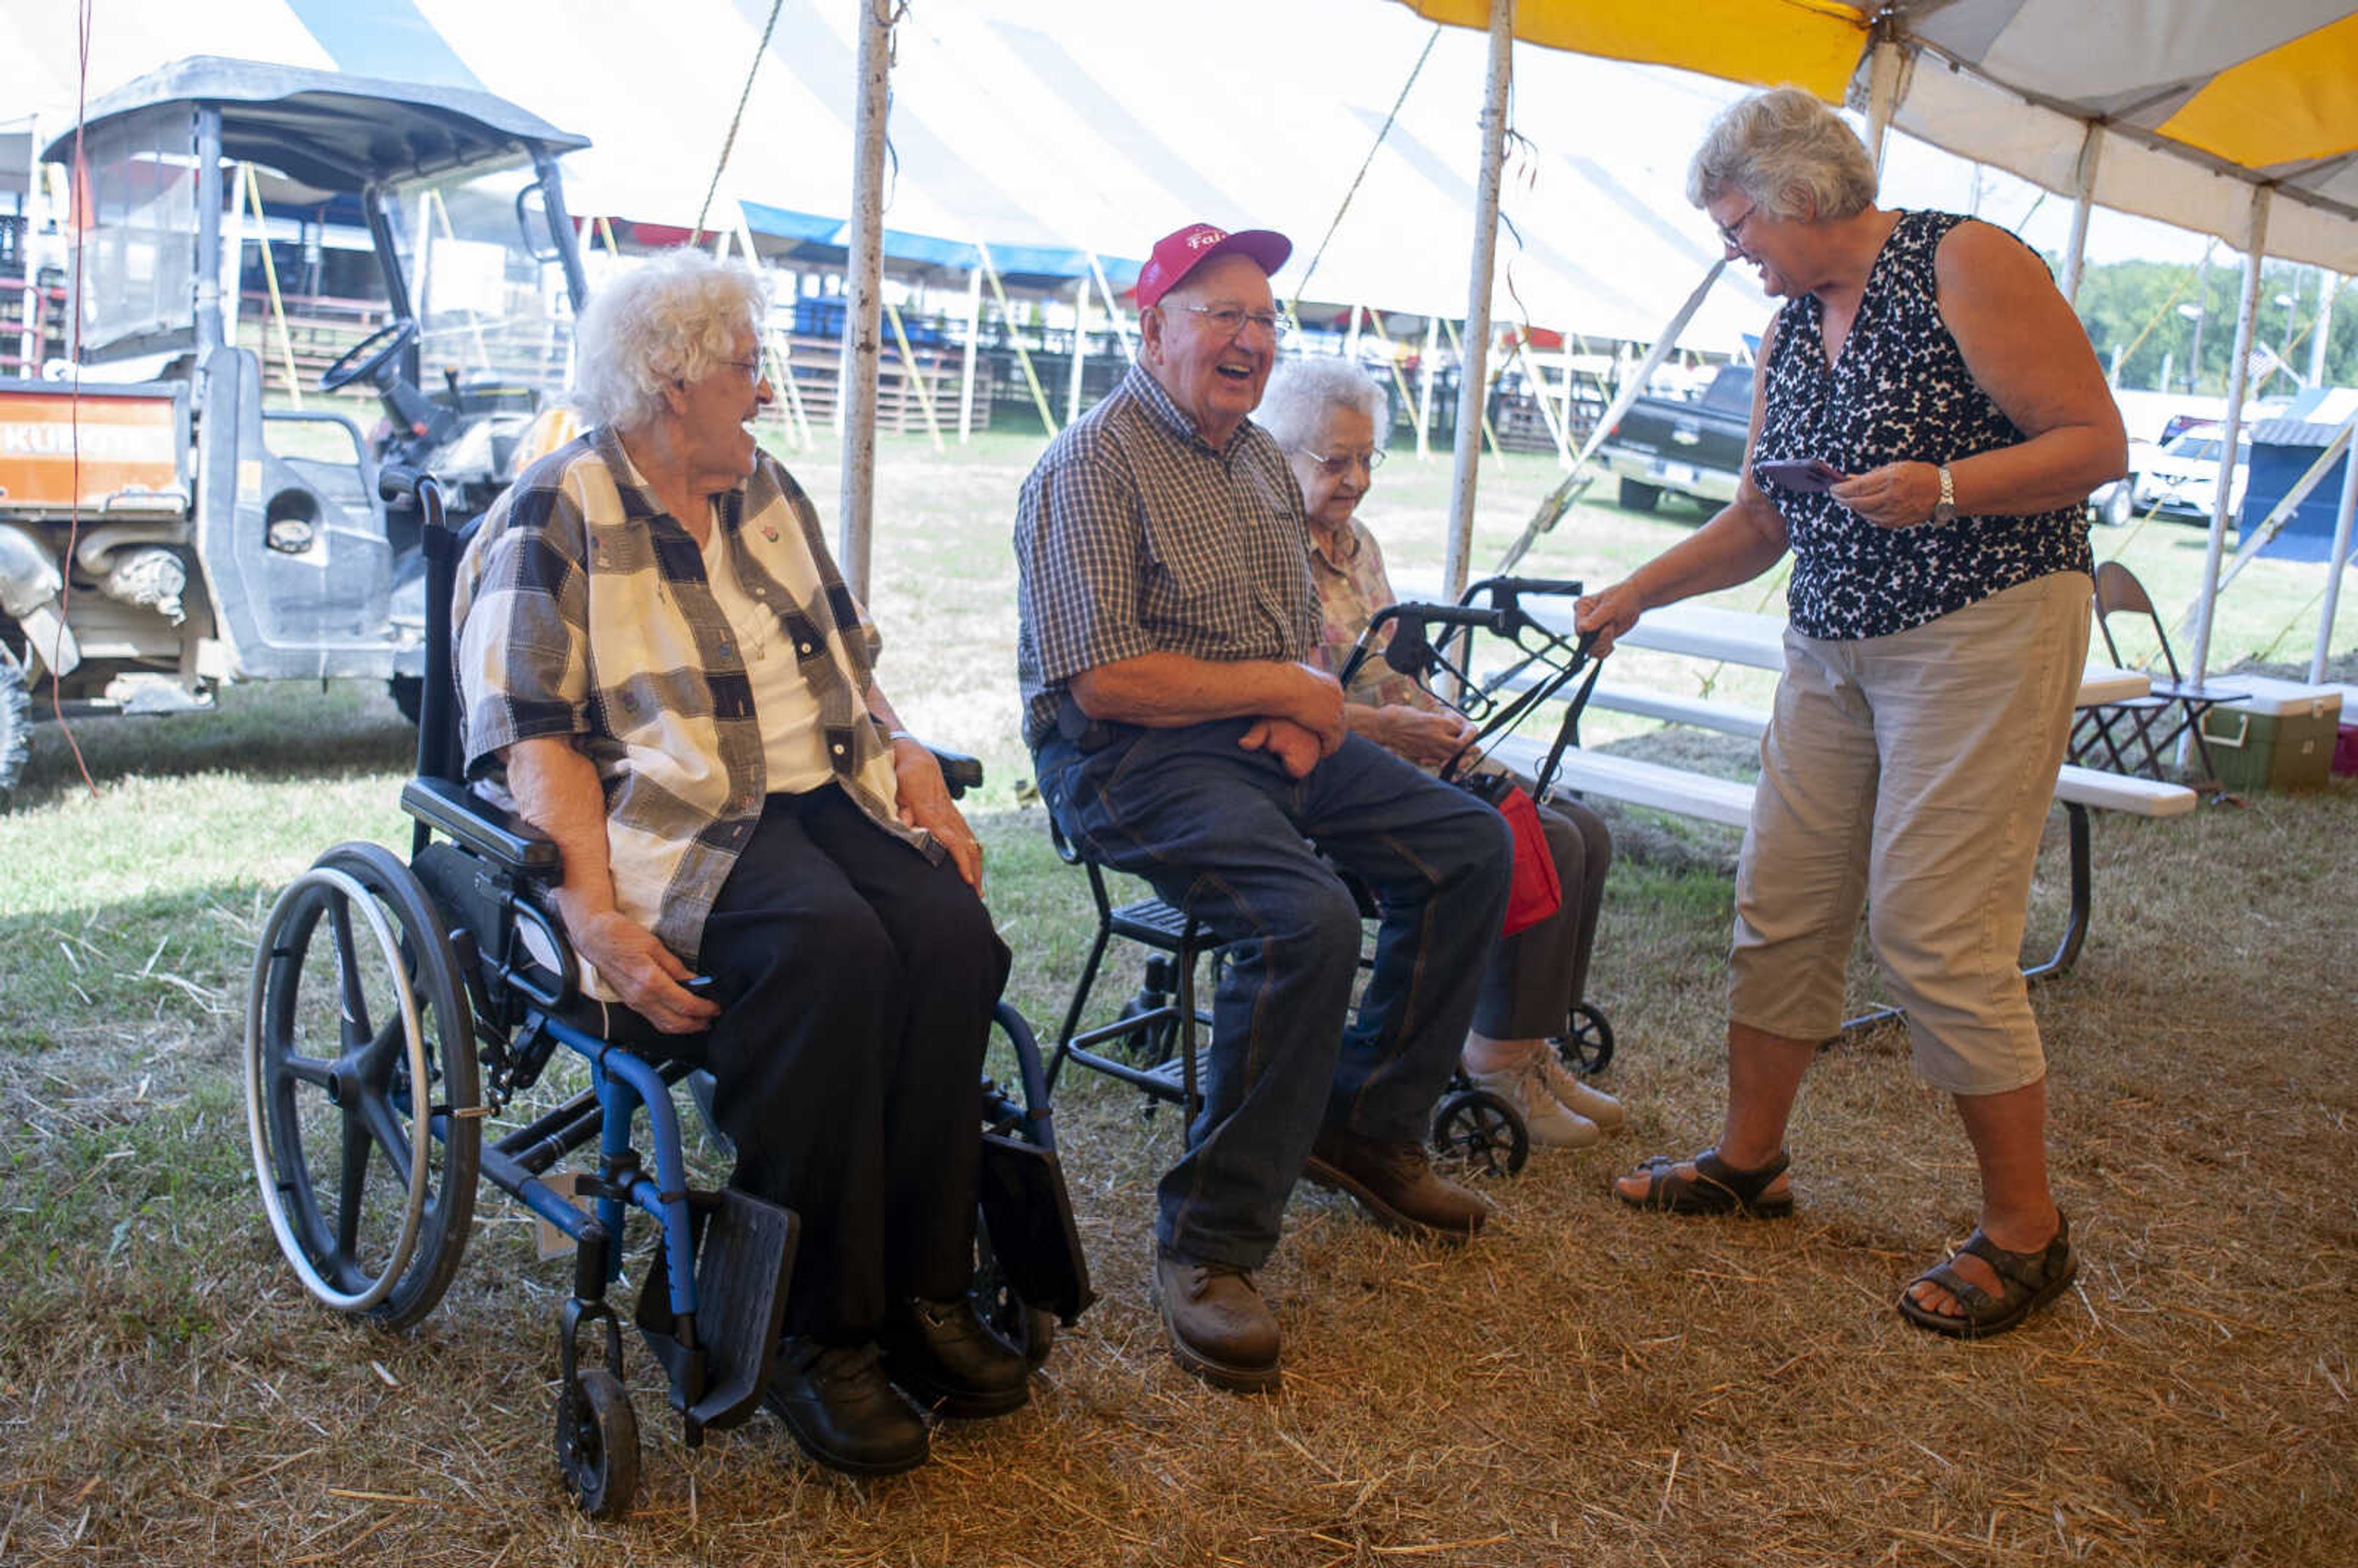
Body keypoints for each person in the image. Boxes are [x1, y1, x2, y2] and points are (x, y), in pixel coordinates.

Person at [453, 249, 1023, 1476]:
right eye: (749, 367)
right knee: (832, 953)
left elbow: (842, 662)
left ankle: (927, 1286)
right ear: (672, 378)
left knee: (952, 940)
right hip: (678, 823)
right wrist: (589, 910)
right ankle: (814, 1330)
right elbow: (528, 733)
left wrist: (905, 742)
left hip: (826, 790)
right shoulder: (555, 509)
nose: (765, 394)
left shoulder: (765, 489)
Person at [1576, 89, 2125, 1340]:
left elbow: (2097, 441)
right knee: (1785, 896)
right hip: (1832, 644)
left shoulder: (1964, 261)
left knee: (1936, 923)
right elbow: (1766, 517)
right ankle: (1749, 1161)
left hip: (1985, 621)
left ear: (1800, 196)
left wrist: (1941, 485)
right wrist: (1636, 589)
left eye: (1736, 223)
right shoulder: (1787, 328)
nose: (1734, 250)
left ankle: (2028, 1233)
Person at [1015, 222, 1514, 1394]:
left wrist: (1310, 707)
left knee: (1469, 844)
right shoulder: (1091, 462)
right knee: (1303, 921)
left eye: (1262, 318)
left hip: (1255, 735)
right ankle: (1210, 1241)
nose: (1247, 338)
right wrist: (1289, 693)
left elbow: (1294, 626)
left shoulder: (1249, 458)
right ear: (1154, 328)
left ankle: (1362, 1123)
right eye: (1218, 313)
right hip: (1129, 758)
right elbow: (1107, 679)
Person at [1258, 357, 1624, 1149]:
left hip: (1410, 749)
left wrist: (1442, 719)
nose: (1355, 478)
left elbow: (1397, 666)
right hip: (1338, 775)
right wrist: (1397, 730)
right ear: (1279, 454)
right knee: (1541, 834)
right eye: (1335, 460)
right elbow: (1288, 703)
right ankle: (1494, 1058)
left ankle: (1531, 1042)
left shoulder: (1358, 545)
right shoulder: (1269, 550)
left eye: (1366, 458)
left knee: (1585, 829)